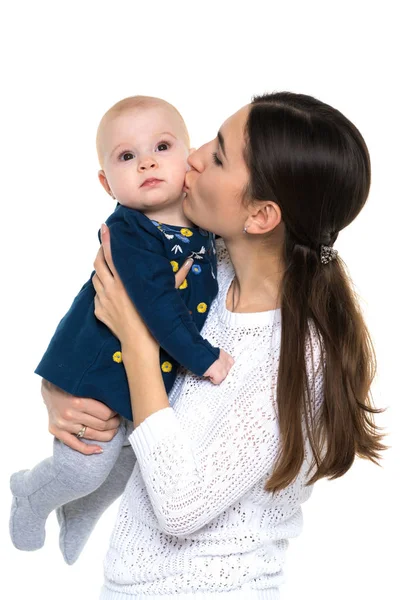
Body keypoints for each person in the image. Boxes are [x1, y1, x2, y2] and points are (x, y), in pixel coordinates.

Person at [41, 92, 386, 599]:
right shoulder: (203, 271)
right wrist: (60, 395)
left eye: (219, 155)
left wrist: (138, 341)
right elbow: (105, 346)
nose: (194, 157)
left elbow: (180, 507)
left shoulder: (298, 353)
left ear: (262, 216)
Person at [9, 95, 234, 560]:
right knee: (86, 465)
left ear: (189, 158)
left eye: (163, 147)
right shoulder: (130, 232)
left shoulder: (203, 225)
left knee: (130, 462)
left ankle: (81, 513)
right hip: (95, 372)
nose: (147, 161)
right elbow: (157, 309)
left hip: (142, 377)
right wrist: (205, 358)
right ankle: (31, 493)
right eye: (127, 156)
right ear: (105, 181)